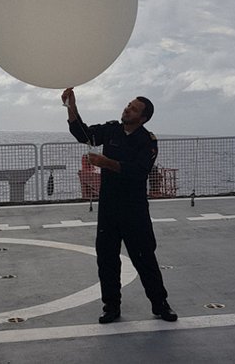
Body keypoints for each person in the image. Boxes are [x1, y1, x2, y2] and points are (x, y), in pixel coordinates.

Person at [62, 88, 178, 324]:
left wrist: (107, 163)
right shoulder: (112, 129)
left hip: (134, 210)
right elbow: (84, 134)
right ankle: (111, 307)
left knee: (145, 258)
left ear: (143, 118)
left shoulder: (147, 141)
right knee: (106, 259)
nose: (127, 108)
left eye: (133, 108)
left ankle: (160, 304)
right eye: (128, 105)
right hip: (109, 208)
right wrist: (71, 106)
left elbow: (139, 172)